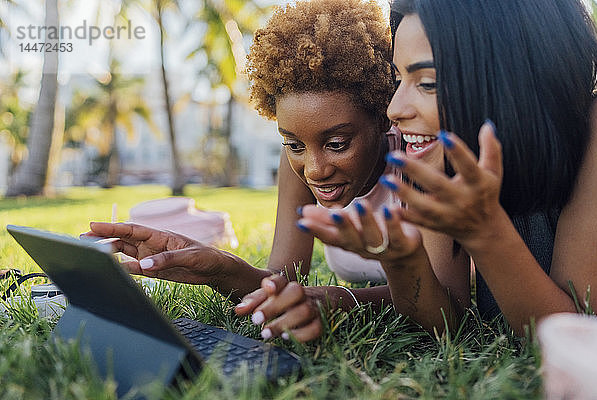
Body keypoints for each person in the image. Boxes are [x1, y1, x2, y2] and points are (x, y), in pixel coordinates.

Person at [246, 0, 597, 340]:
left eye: (427, 83)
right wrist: (402, 261)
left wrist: (484, 231)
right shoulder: (438, 148)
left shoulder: (593, 129)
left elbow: (573, 336)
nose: (394, 109)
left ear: (511, 72)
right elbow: (448, 321)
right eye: (398, 79)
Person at [85, 0, 399, 342]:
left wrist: (343, 299)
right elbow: (284, 281)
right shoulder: (299, 162)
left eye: (337, 144)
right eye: (294, 145)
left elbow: (448, 297)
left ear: (384, 115)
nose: (314, 170)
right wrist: (220, 268)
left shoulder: (418, 155)